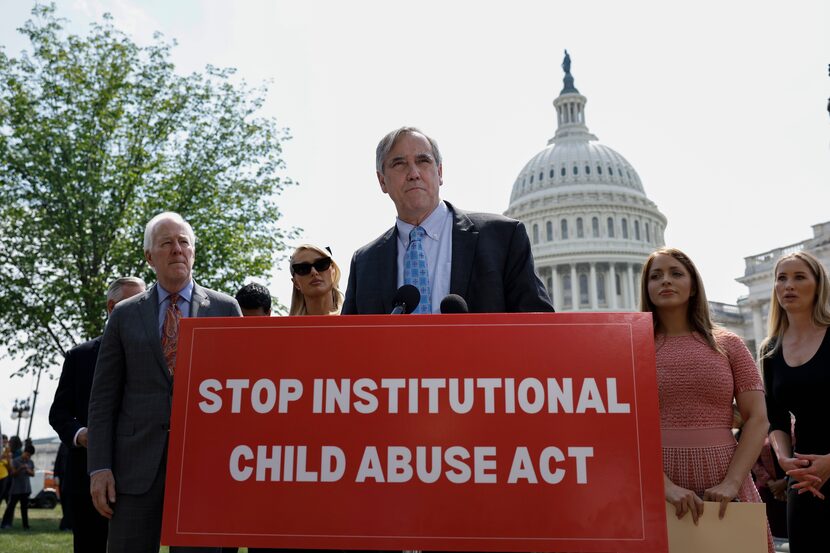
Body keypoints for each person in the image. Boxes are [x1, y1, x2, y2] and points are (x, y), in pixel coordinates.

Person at [87, 212, 242, 553]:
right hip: (133, 473)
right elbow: (102, 399)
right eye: (166, 243)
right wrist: (99, 467)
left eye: (184, 242)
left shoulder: (225, 309)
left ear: (194, 252)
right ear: (149, 256)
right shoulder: (125, 315)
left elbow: (240, 398)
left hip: (203, 472)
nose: (177, 250)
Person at [640, 247, 772, 552]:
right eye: (655, 276)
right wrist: (665, 487)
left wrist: (731, 482)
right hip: (657, 480)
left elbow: (757, 418)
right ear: (646, 288)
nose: (665, 281)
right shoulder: (633, 346)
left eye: (676, 273)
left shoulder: (730, 344)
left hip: (726, 476)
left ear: (693, 284)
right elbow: (619, 424)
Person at [343, 127, 553, 315]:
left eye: (423, 161)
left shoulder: (503, 238)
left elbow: (538, 325)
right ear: (382, 181)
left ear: (440, 172)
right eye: (399, 164)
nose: (413, 173)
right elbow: (349, 346)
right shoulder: (364, 263)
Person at [49, 276, 146, 552]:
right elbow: (59, 413)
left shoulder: (156, 356)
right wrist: (82, 435)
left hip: (139, 481)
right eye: (133, 302)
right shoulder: (80, 356)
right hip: (87, 479)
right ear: (112, 308)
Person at [762, 251, 830, 551]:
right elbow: (774, 417)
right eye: (781, 278)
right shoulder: (770, 350)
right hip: (802, 477)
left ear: (818, 285)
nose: (788, 285)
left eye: (799, 277)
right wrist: (785, 461)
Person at [289, 244, 344, 315]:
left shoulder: (356, 320)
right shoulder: (288, 326)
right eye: (303, 268)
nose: (314, 272)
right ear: (296, 283)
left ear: (333, 271)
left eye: (321, 264)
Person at [0, 442, 35, 530]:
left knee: (24, 509)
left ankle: (25, 525)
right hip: (15, 489)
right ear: (24, 452)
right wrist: (21, 468)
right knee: (10, 508)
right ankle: (4, 524)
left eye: (29, 456)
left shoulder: (30, 462)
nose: (28, 457)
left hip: (26, 489)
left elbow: (33, 473)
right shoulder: (16, 460)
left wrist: (27, 470)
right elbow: (12, 474)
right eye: (27, 454)